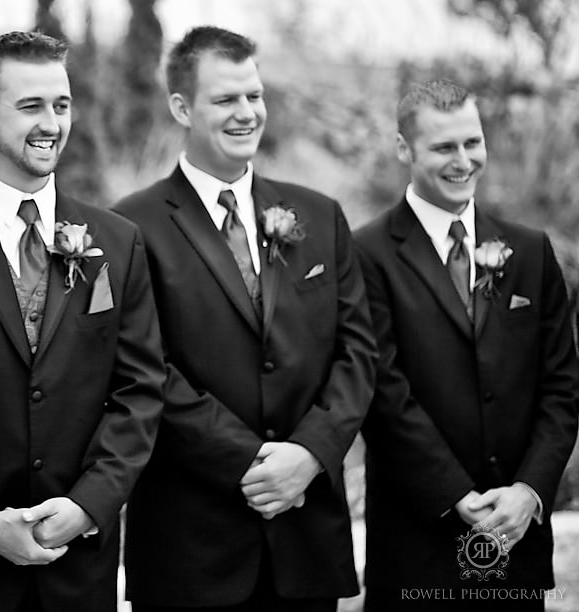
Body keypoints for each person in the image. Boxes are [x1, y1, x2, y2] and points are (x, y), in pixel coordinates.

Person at [113, 26, 377, 612]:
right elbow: (145, 369)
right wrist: (253, 464)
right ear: (182, 106)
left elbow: (358, 352)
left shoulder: (318, 215)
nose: (247, 113)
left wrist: (309, 454)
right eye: (226, 99)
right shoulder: (131, 228)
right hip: (191, 546)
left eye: (254, 96)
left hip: (306, 537)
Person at [0, 31, 165, 612]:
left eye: (61, 105)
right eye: (31, 106)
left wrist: (89, 503)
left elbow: (140, 390)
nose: (52, 123)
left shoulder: (117, 242)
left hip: (80, 567)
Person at [354, 79, 579, 611]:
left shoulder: (528, 249)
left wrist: (530, 492)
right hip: (416, 543)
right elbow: (382, 392)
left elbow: (562, 387)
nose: (463, 161)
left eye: (472, 143)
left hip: (515, 539)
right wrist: (455, 494)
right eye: (443, 147)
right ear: (404, 149)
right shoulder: (365, 254)